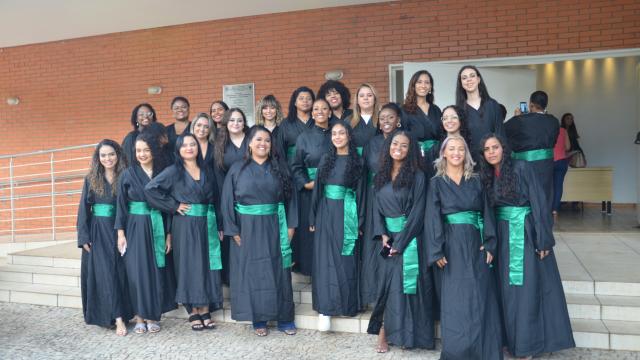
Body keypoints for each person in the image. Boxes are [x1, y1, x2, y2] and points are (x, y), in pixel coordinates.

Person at [479, 134, 575, 358]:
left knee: (526, 289)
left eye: (495, 147)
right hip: (502, 236)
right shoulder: (487, 175)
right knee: (506, 291)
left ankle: (527, 345)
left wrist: (543, 238)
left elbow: (539, 201)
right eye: (487, 149)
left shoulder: (521, 167)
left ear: (504, 148)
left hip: (524, 232)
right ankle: (510, 339)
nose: (492, 152)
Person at [425, 135, 502, 359]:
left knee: (479, 296)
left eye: (461, 149)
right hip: (449, 246)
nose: (456, 153)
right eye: (452, 149)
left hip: (476, 243)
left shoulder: (476, 180)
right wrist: (436, 249)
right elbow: (432, 217)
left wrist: (490, 243)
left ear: (466, 153)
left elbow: (487, 212)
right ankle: (458, 351)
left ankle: (483, 350)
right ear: (444, 153)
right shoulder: (436, 183)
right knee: (455, 299)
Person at [221, 126, 298, 336]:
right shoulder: (237, 169)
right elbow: (227, 200)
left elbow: (291, 200)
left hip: (276, 226)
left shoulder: (280, 168)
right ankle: (259, 318)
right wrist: (233, 229)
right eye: (258, 140)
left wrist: (291, 227)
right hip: (247, 229)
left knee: (279, 273)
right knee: (253, 273)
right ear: (250, 143)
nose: (263, 144)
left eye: (267, 140)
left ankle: (284, 318)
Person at [145, 133, 223, 331]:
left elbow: (216, 199)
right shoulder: (174, 171)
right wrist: (174, 205)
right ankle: (193, 311)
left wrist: (220, 225)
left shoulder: (207, 170)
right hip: (185, 224)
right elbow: (151, 189)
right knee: (189, 265)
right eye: (184, 145)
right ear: (178, 150)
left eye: (192, 144)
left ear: (198, 148)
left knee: (206, 263)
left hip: (207, 222)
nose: (189, 148)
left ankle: (205, 307)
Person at [366, 130, 435, 353]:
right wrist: (384, 235)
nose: (399, 148)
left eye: (405, 145)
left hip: (411, 239)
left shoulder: (417, 176)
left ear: (411, 150)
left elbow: (418, 212)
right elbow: (374, 208)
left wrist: (401, 242)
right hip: (388, 240)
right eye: (395, 143)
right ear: (388, 146)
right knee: (388, 289)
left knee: (411, 288)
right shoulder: (380, 175)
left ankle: (410, 335)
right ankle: (384, 333)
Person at [115, 132, 177, 334]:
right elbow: (121, 206)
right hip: (134, 226)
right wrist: (120, 233)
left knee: (154, 272)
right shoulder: (128, 173)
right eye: (138, 150)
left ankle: (152, 315)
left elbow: (168, 203)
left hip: (157, 224)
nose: (142, 154)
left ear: (154, 151)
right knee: (136, 272)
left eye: (146, 150)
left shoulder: (163, 171)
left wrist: (169, 234)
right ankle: (139, 316)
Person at [309, 120, 364, 331]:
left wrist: (359, 220)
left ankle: (347, 304)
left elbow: (362, 194)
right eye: (334, 134)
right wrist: (313, 217)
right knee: (325, 261)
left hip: (348, 213)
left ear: (349, 136)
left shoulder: (357, 161)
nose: (338, 137)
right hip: (325, 212)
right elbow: (318, 190)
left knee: (345, 258)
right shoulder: (326, 159)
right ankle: (325, 309)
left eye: (342, 133)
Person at [77, 139, 132, 336]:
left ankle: (123, 313)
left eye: (111, 154)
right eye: (103, 155)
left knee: (120, 273)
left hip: (121, 230)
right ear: (98, 158)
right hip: (98, 231)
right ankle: (117, 319)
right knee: (106, 274)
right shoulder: (91, 178)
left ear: (118, 155)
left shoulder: (126, 176)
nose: (108, 158)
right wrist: (83, 236)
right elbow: (83, 209)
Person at [360, 103, 402, 306]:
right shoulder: (372, 143)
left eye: (390, 117)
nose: (386, 121)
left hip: (397, 198)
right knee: (376, 243)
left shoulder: (403, 141)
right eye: (382, 118)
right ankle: (375, 295)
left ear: (398, 120)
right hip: (374, 197)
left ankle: (396, 293)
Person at [290, 98, 332, 275]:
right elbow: (296, 166)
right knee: (311, 231)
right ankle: (311, 268)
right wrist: (306, 183)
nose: (320, 111)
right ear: (312, 113)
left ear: (330, 112)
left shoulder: (338, 133)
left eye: (324, 108)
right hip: (311, 191)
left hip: (334, 191)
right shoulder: (304, 137)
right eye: (316, 109)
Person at [505, 91, 559, 209]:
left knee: (526, 198)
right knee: (544, 196)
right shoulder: (554, 121)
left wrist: (516, 117)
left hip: (525, 166)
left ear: (531, 105)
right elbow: (553, 142)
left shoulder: (520, 120)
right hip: (546, 165)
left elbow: (503, 133)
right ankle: (544, 225)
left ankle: (528, 226)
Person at [213, 108, 248, 285]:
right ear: (226, 123)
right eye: (232, 120)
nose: (236, 123)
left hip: (252, 196)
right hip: (230, 198)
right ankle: (233, 280)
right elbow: (219, 177)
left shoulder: (252, 139)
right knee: (234, 239)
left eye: (240, 120)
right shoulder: (220, 145)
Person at [455, 65, 504, 162]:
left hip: (493, 160)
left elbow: (501, 135)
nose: (468, 80)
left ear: (478, 79)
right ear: (461, 83)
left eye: (472, 76)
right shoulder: (459, 110)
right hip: (470, 163)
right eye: (464, 78)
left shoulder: (492, 105)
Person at [402, 70, 442, 177]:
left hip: (436, 158)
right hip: (415, 158)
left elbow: (442, 134)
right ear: (413, 86)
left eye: (427, 82)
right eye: (419, 82)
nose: (423, 85)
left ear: (430, 87)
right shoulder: (404, 110)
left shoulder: (436, 110)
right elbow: (403, 136)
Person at [276, 86, 315, 164]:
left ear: (313, 102)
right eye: (301, 98)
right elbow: (280, 150)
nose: (305, 101)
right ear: (295, 102)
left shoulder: (318, 121)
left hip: (316, 169)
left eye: (308, 98)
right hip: (292, 168)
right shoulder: (285, 123)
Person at [349, 83, 379, 156]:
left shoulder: (382, 118)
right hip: (356, 162)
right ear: (357, 101)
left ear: (375, 99)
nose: (365, 98)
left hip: (377, 162)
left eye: (369, 95)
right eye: (362, 96)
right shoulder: (348, 120)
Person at [553, 122, 571, 215]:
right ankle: (555, 209)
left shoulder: (547, 130)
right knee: (558, 186)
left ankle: (547, 208)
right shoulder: (563, 130)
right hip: (561, 161)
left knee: (548, 186)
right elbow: (568, 147)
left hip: (549, 161)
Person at [166, 96, 191, 160]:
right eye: (176, 108)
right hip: (171, 167)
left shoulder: (195, 128)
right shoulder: (166, 130)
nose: (180, 110)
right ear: (172, 111)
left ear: (188, 109)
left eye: (183, 107)